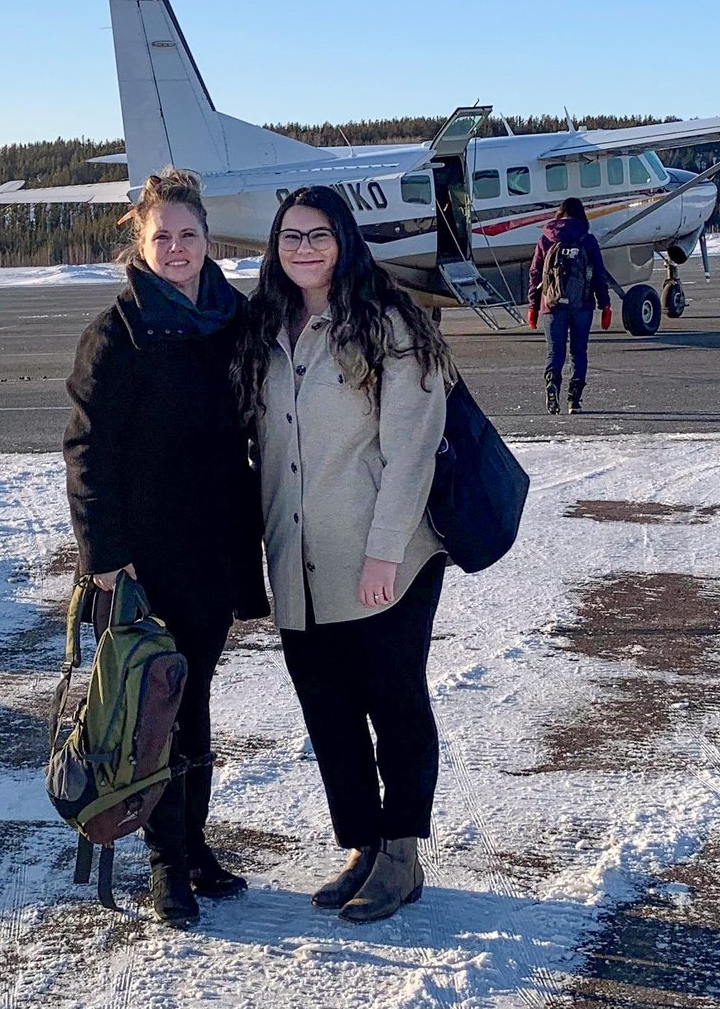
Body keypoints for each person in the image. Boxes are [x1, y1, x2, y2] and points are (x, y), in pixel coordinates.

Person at [233, 185, 451, 924]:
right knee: (328, 710)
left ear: (344, 238)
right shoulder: (266, 325)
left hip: (383, 556)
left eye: (317, 235)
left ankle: (401, 853)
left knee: (394, 704)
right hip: (299, 559)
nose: (303, 249)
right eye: (290, 237)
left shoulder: (388, 322)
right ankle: (362, 842)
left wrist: (385, 551)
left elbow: (412, 449)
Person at [62, 168, 269, 928]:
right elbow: (86, 449)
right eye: (162, 236)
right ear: (141, 242)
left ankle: (196, 846)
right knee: (152, 712)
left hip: (211, 551)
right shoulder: (117, 332)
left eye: (188, 235)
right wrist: (106, 556)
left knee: (197, 702)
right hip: (141, 562)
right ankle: (163, 865)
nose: (176, 248)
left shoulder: (231, 319)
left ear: (208, 238)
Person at [525, 196, 611, 414]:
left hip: (551, 305)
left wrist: (533, 306)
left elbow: (535, 274)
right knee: (578, 352)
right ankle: (575, 399)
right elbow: (599, 274)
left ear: (559, 213)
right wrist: (605, 304)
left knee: (555, 352)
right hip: (582, 304)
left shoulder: (546, 239)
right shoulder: (587, 239)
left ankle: (552, 386)